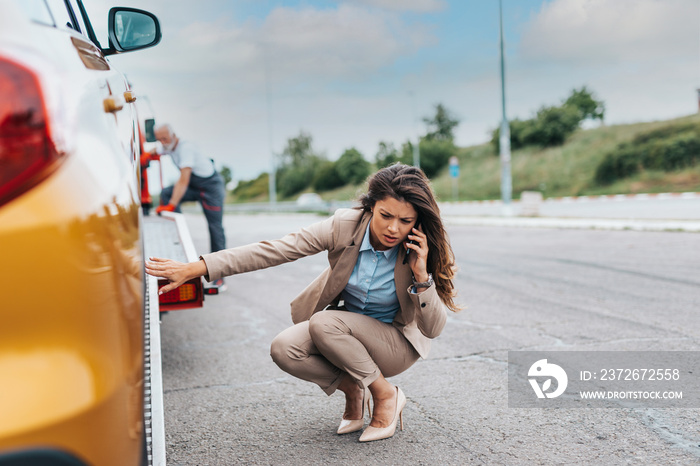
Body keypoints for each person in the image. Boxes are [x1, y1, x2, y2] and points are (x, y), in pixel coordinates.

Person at [145, 163, 459, 442]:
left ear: (416, 221)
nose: (393, 228)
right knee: (284, 348)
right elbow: (274, 250)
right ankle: (352, 387)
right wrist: (197, 268)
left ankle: (386, 394)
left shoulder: (420, 249)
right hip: (343, 333)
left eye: (405, 220)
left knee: (324, 323)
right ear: (370, 207)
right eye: (385, 215)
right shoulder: (344, 226)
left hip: (394, 344)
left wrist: (421, 275)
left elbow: (432, 329)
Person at [153, 124, 227, 289]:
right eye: (159, 139)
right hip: (195, 188)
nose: (162, 142)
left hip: (210, 188)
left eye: (164, 138)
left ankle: (220, 277)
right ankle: (179, 234)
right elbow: (155, 151)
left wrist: (172, 205)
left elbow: (183, 180)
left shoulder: (186, 148)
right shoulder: (168, 147)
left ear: (173, 135)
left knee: (215, 228)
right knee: (165, 193)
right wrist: (145, 156)